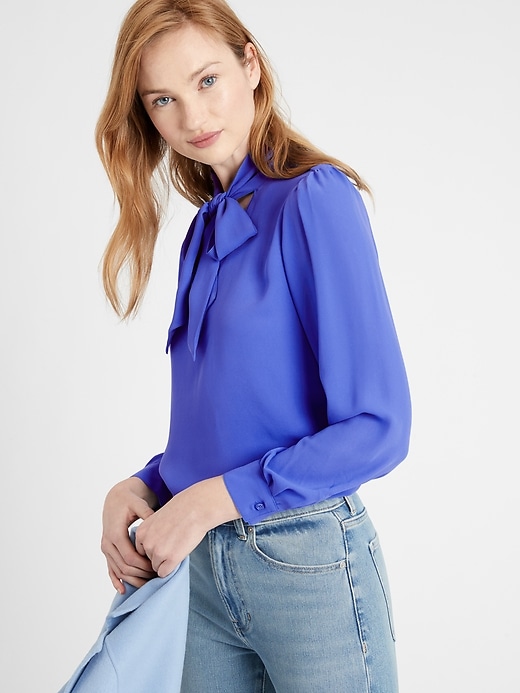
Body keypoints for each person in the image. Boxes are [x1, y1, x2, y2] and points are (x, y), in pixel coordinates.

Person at [97, 0, 412, 690]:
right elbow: (232, 424)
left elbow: (379, 427)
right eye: (163, 99)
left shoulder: (314, 199)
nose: (192, 116)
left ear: (251, 66)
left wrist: (208, 501)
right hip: (197, 570)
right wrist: (144, 484)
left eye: (207, 80)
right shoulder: (204, 229)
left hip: (304, 563)